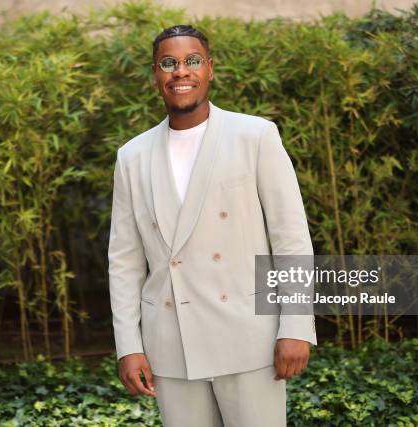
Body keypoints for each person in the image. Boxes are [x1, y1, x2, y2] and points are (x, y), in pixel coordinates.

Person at [108, 24, 317, 427]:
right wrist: (128, 345)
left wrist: (295, 325)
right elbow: (124, 260)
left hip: (248, 339)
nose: (180, 72)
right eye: (168, 63)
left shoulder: (255, 135)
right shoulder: (131, 156)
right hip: (170, 342)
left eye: (192, 61)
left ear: (209, 69)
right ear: (156, 74)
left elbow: (289, 238)